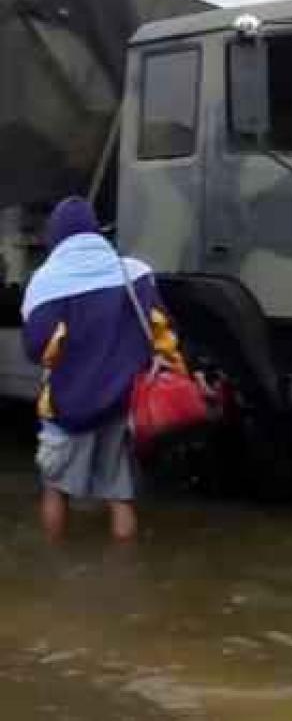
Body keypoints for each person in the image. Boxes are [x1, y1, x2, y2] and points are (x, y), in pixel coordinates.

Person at [21, 196, 185, 542]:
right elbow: (162, 330)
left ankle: (53, 568)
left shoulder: (46, 283)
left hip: (70, 408)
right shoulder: (134, 273)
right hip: (121, 402)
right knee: (119, 494)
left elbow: (37, 349)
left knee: (55, 490)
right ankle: (124, 570)